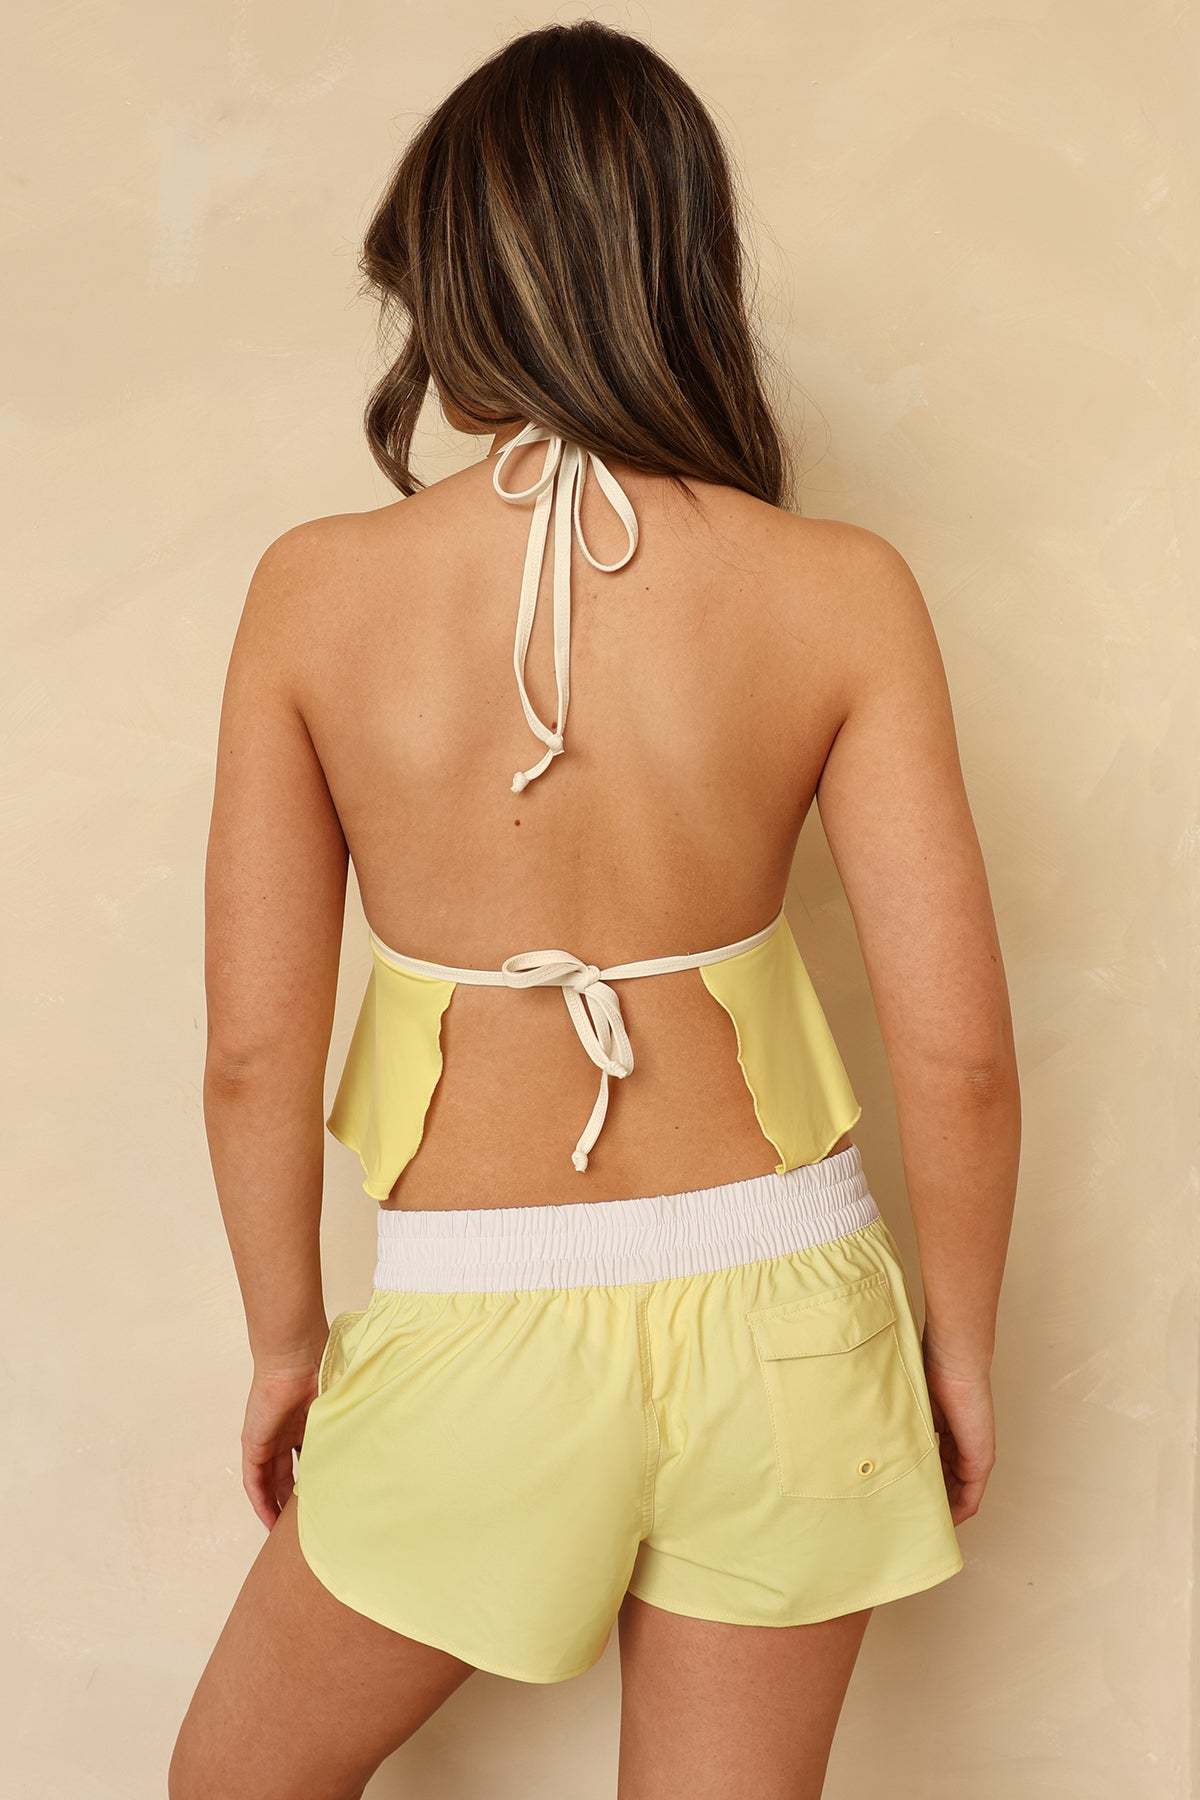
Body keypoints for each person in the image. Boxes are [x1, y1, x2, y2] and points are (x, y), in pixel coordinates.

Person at [169, 20, 1019, 1800]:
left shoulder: (316, 594)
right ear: (682, 265)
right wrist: (958, 1343)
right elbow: (958, 1055)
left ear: (454, 283)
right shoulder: (840, 590)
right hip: (795, 1312)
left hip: (478, 1321)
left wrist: (285, 1343)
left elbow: (254, 1049)